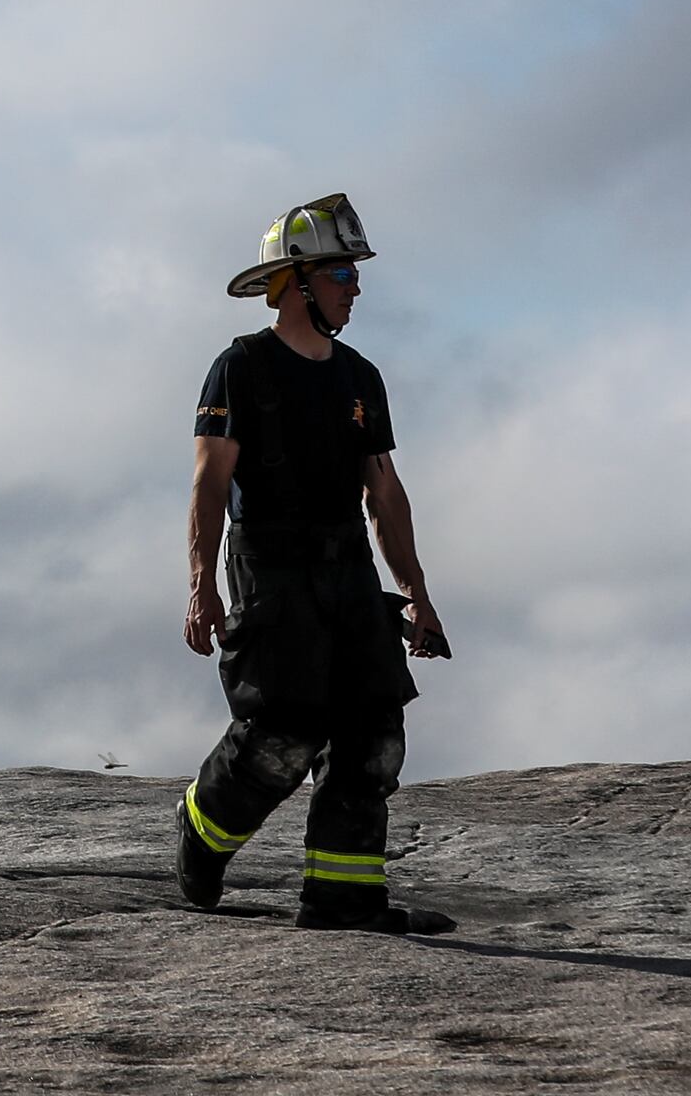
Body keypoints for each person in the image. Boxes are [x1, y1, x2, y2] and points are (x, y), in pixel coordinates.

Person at [178, 193, 455, 935]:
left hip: (347, 568)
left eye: (353, 275)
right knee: (285, 728)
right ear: (295, 282)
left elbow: (385, 493)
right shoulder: (239, 369)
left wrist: (416, 593)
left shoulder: (360, 377)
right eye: (340, 273)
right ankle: (203, 828)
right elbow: (209, 485)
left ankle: (343, 899)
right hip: (270, 562)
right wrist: (202, 587)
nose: (354, 288)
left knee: (372, 733)